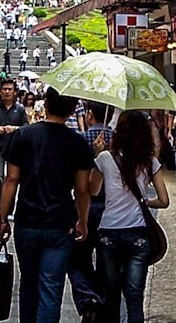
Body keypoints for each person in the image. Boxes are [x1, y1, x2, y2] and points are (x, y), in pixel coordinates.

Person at [0, 86, 94, 323]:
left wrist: (3, 218)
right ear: (73, 111)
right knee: (51, 287)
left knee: (28, 283)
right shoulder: (78, 143)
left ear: (46, 105)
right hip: (61, 222)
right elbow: (82, 190)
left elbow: (11, 179)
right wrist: (83, 220)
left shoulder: (23, 136)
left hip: (27, 219)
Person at [90, 111, 169, 323]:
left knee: (111, 295)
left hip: (108, 232)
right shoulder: (150, 161)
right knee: (134, 298)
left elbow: (93, 190)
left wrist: (98, 153)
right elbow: (164, 200)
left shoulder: (105, 158)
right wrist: (143, 201)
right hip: (138, 234)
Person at [67, 103, 113, 322]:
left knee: (77, 258)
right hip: (114, 206)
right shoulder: (121, 141)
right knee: (106, 261)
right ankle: (102, 302)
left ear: (90, 114)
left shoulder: (79, 139)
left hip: (85, 204)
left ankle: (88, 300)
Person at [0, 78, 28, 221]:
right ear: (0, 91)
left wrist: (14, 129)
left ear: (15, 92)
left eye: (10, 89)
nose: (7, 92)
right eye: (4, 89)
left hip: (15, 148)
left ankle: (9, 210)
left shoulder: (19, 109)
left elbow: (26, 127)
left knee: (12, 178)